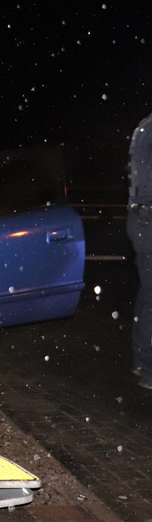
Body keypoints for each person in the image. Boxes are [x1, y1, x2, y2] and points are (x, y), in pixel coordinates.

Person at [127, 109, 152, 389]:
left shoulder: (145, 126)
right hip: (148, 220)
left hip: (142, 220)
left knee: (148, 295)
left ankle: (141, 360)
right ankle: (149, 369)